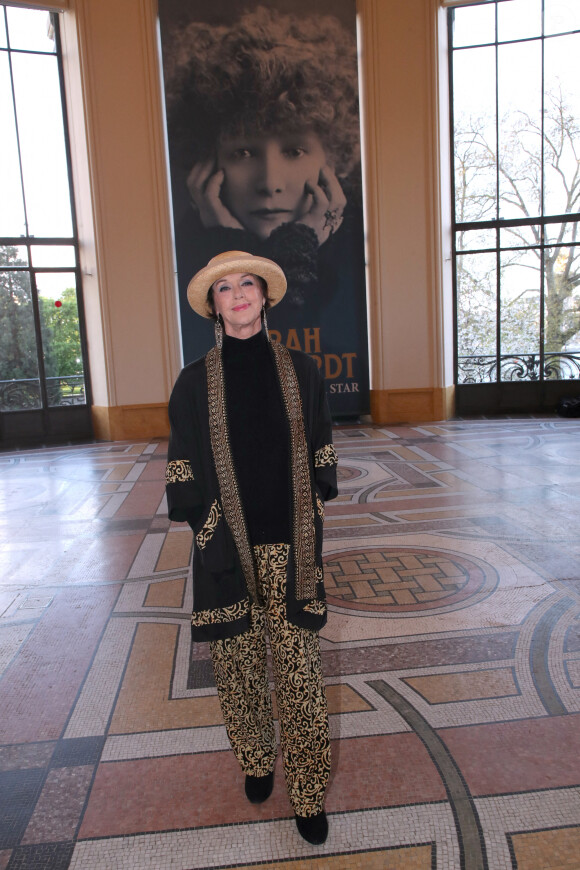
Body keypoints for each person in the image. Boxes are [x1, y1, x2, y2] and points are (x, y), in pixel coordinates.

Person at [165, 250, 338, 845]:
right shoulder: (192, 383)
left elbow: (321, 450)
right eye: (224, 289)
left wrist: (311, 507)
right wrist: (209, 531)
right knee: (238, 673)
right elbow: (181, 470)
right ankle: (258, 763)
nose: (237, 295)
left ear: (265, 297)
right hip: (227, 553)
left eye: (247, 285)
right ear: (212, 306)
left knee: (299, 676)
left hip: (292, 553)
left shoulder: (303, 371)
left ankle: (309, 792)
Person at [162, 7, 365, 340]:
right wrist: (229, 245)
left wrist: (301, 244)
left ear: (331, 156)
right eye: (244, 153)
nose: (270, 184)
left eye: (294, 151)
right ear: (207, 164)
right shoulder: (180, 260)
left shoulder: (360, 256)